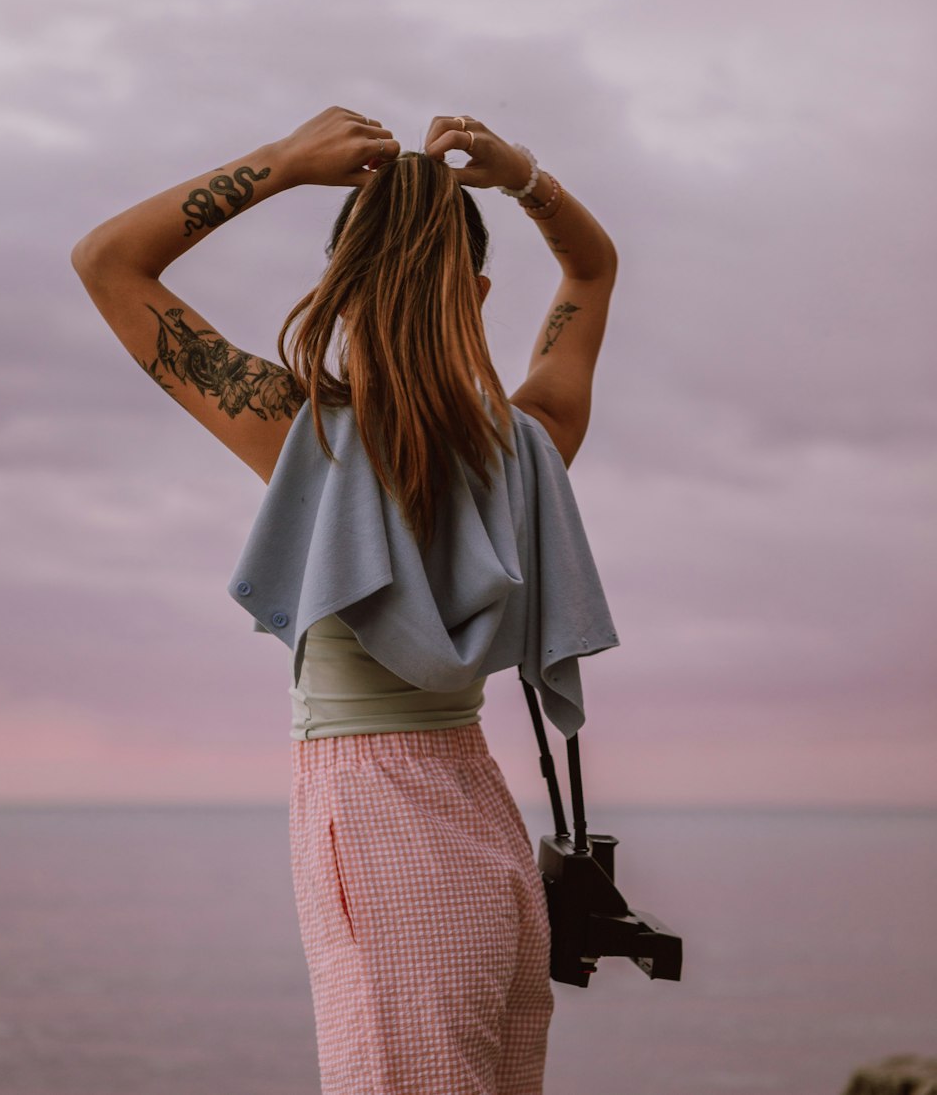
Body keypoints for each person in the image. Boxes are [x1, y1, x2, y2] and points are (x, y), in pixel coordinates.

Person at [71, 106, 619, 1094]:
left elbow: (109, 260)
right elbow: (590, 272)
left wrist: (281, 164)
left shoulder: (301, 438)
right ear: (481, 291)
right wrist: (522, 174)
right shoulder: (533, 444)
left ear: (340, 286)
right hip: (484, 815)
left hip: (371, 823)